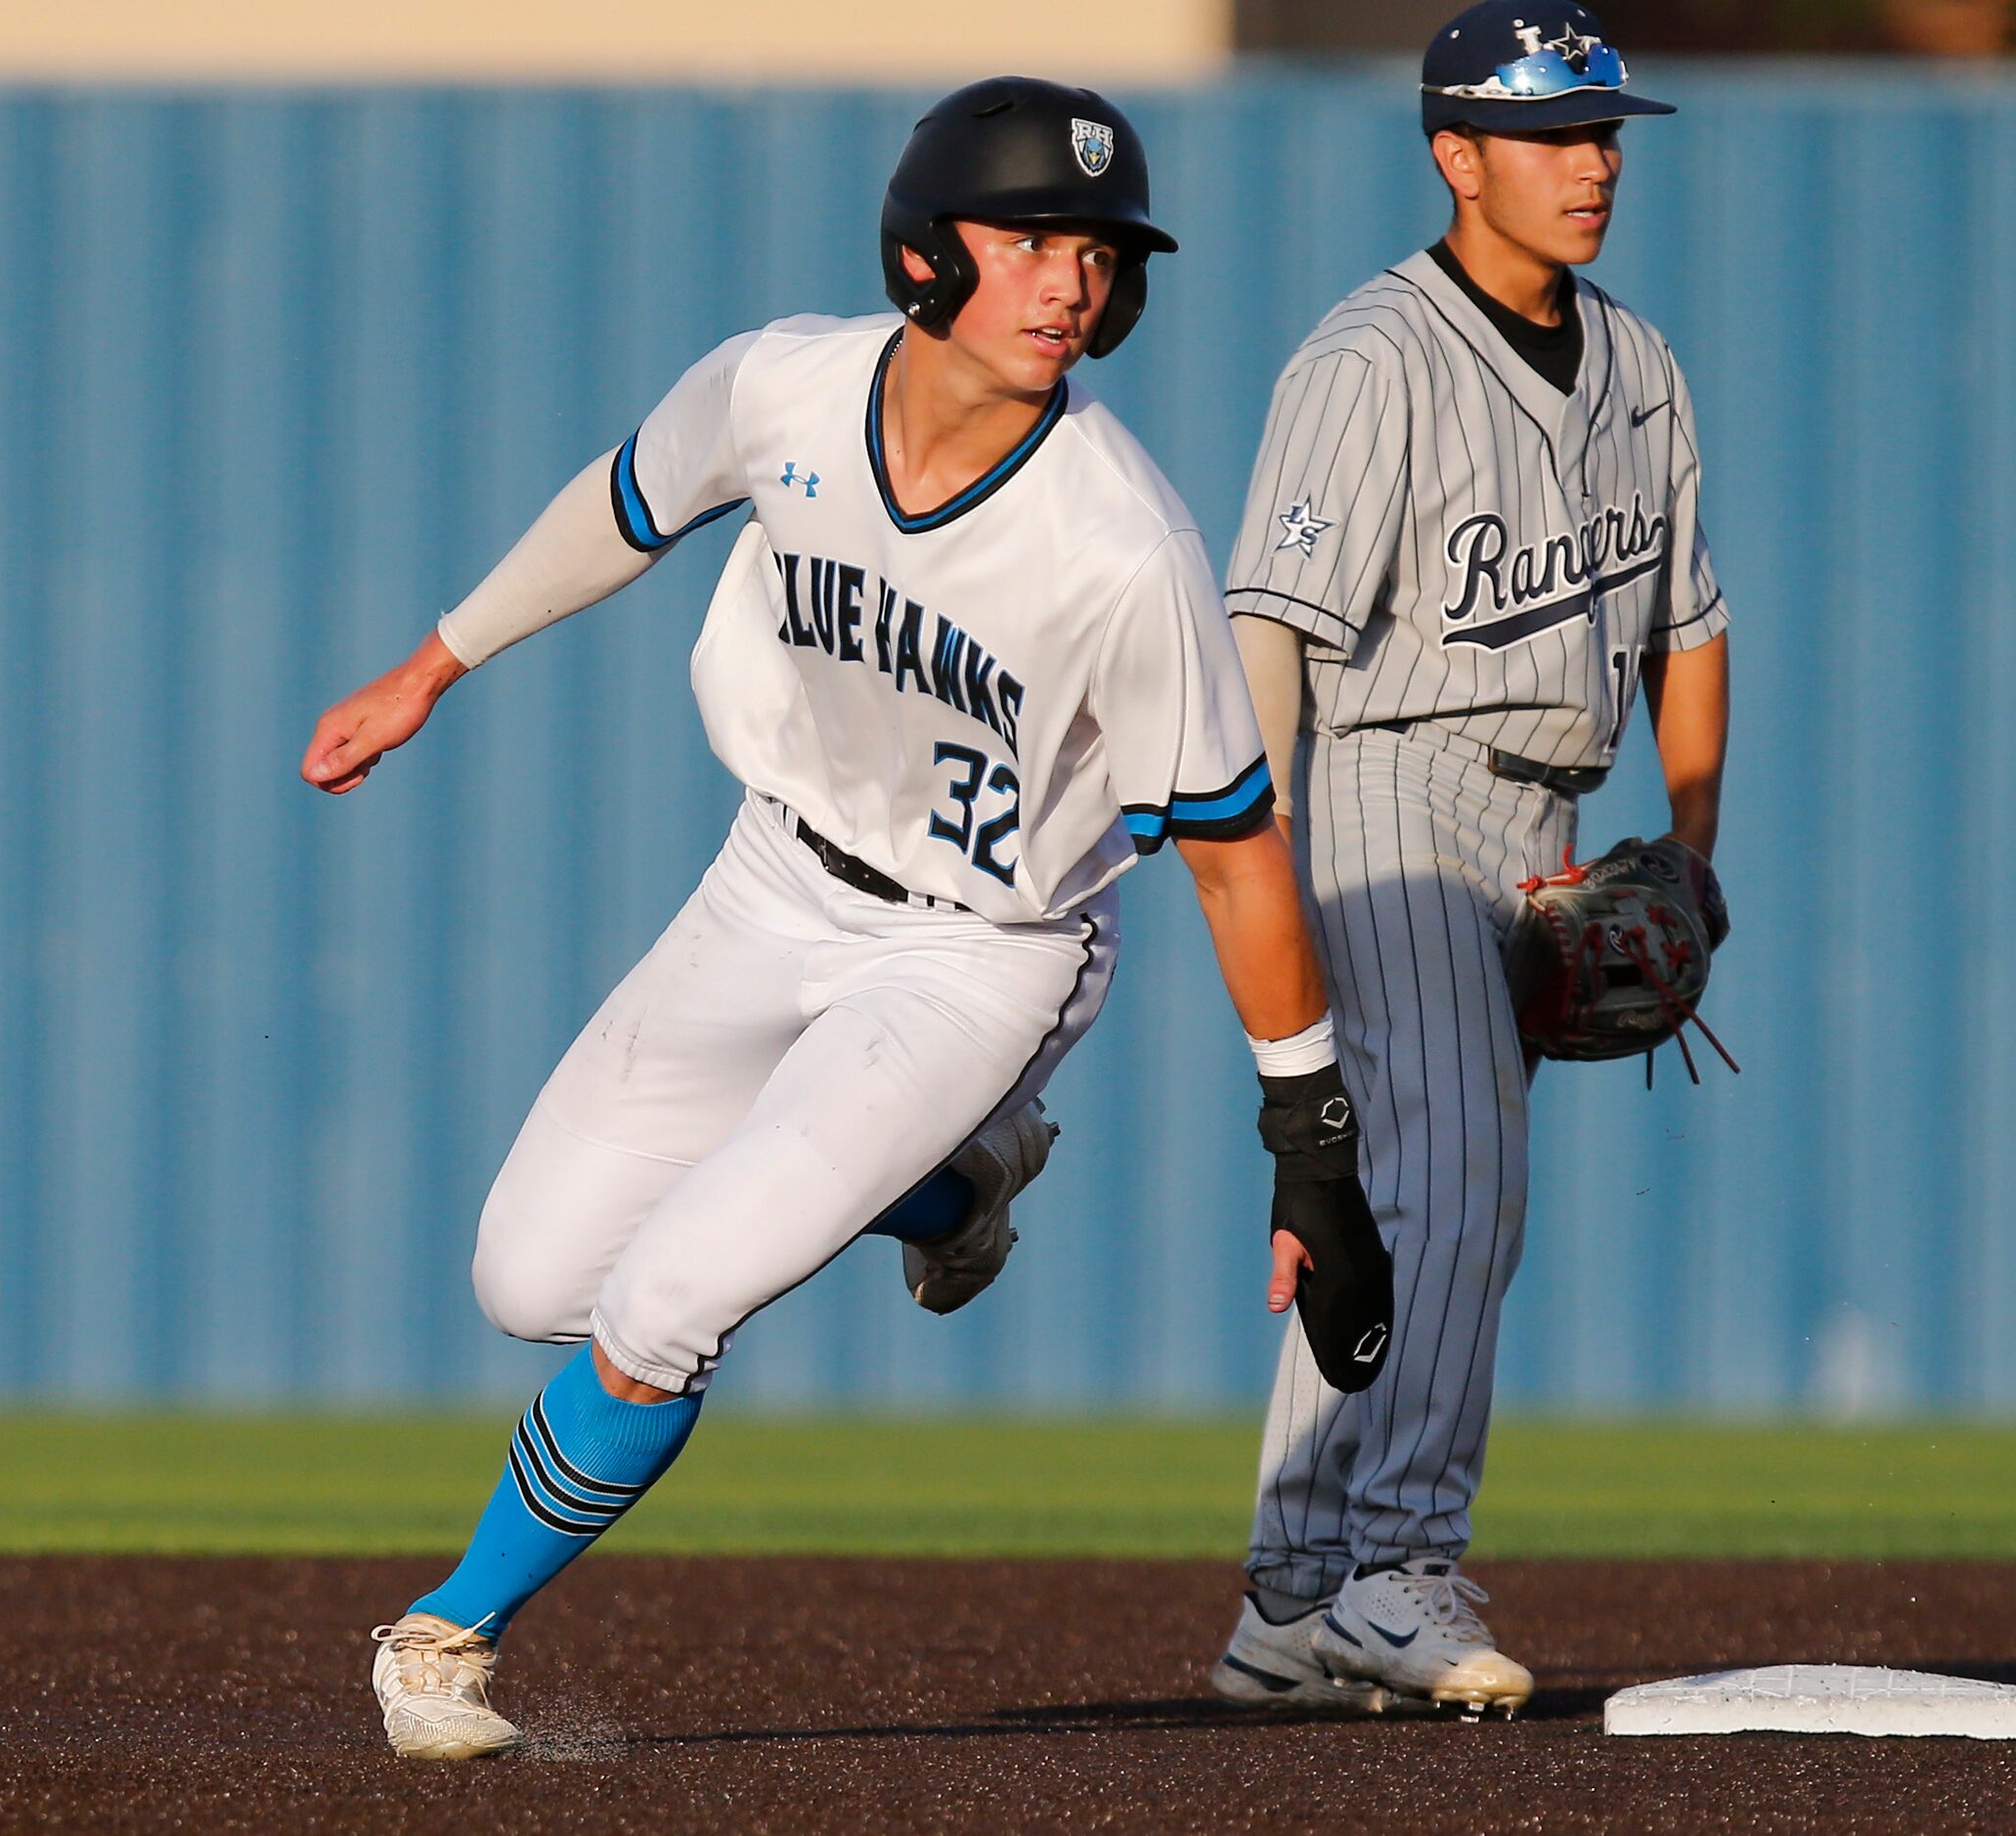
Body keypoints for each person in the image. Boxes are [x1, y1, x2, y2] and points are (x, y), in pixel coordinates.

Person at [301, 77, 1390, 1761]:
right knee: (529, 1276)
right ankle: (961, 1180)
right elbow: (624, 501)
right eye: (1029, 237)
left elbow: (1240, 854)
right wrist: (436, 660)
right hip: (776, 876)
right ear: (920, 253)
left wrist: (1308, 1131)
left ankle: (448, 1631)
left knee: (664, 1303)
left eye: (1099, 250)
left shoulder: (1123, 541)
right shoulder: (784, 383)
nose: (1071, 282)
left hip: (983, 950)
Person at [1211, 1, 1731, 1718]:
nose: (1594, 165)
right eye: (1555, 137)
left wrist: (1694, 849)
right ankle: (1395, 1559)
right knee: (1463, 1183)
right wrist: (1262, 851)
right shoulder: (1372, 359)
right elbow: (1272, 630)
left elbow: (1691, 621)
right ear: (1457, 155)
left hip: (1546, 815)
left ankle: (1294, 1594)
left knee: (1387, 1194)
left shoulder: (1639, 365)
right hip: (1386, 782)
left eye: (1606, 134)